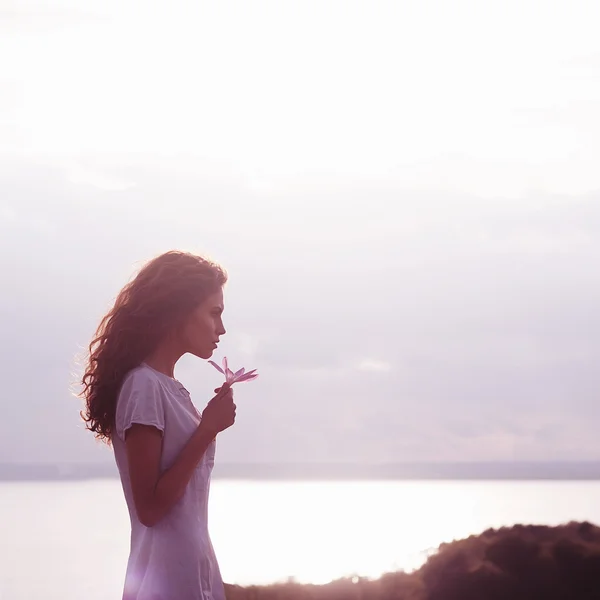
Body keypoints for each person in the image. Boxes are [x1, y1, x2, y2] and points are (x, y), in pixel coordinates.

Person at [79, 250, 237, 600]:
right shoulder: (143, 387)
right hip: (164, 582)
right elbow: (149, 508)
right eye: (214, 313)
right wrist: (207, 429)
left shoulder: (170, 388)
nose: (221, 328)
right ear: (179, 310)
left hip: (193, 574)